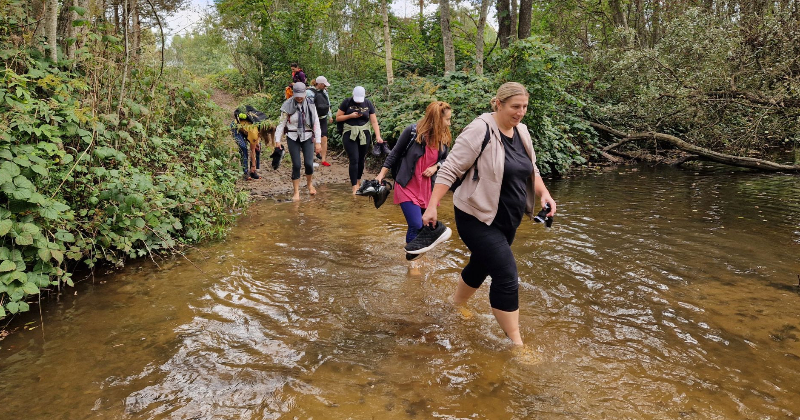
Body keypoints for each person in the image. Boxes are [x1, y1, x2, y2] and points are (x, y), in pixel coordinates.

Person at [421, 82, 557, 347]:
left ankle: (455, 304)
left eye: (524, 107)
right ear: (499, 103)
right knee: (506, 275)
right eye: (515, 107)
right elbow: (450, 169)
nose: (520, 112)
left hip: (508, 218)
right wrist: (432, 205)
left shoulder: (522, 132)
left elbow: (532, 169)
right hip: (476, 217)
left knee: (482, 264)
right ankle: (516, 344)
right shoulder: (479, 129)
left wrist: (544, 194)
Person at [375, 101, 453, 260]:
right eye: (447, 119)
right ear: (437, 120)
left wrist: (436, 167)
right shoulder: (412, 132)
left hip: (427, 188)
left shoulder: (444, 137)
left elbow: (446, 159)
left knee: (424, 225)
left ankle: (416, 259)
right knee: (416, 224)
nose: (449, 123)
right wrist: (381, 174)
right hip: (406, 185)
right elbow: (395, 153)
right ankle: (413, 263)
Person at [275, 82, 322, 201]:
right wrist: (277, 140)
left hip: (307, 136)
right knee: (296, 164)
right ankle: (296, 192)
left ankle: (309, 184)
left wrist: (318, 142)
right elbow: (281, 124)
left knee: (309, 164)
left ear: (305, 93)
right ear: (293, 94)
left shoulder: (311, 104)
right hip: (293, 136)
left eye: (301, 95)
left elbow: (316, 124)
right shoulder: (287, 105)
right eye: (297, 95)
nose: (300, 98)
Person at [336, 86, 385, 194]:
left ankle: (358, 181)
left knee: (361, 159)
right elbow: (338, 117)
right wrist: (350, 116)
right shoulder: (347, 102)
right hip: (350, 133)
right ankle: (354, 186)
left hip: (364, 133)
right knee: (354, 159)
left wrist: (378, 136)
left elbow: (374, 121)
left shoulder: (368, 103)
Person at [308, 76, 333, 166]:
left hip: (323, 118)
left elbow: (328, 104)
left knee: (324, 138)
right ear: (319, 84)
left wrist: (330, 116)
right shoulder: (309, 92)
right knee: (311, 138)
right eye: (324, 85)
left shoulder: (324, 92)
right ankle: (311, 158)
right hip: (313, 119)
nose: (325, 86)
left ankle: (323, 159)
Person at [230, 110, 261, 180]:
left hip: (246, 129)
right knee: (243, 147)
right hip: (236, 127)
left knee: (258, 148)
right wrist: (253, 165)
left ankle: (253, 172)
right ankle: (245, 172)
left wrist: (257, 143)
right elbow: (252, 150)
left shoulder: (260, 127)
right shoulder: (254, 131)